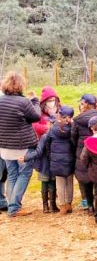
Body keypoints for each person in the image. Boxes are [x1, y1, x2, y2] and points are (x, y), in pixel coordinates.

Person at [0, 71, 41, 217]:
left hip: (4, 146)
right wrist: (35, 101)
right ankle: (14, 207)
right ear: (20, 85)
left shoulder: (1, 100)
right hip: (21, 146)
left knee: (12, 174)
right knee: (24, 174)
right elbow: (36, 116)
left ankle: (12, 206)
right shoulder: (23, 102)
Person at [23, 106, 75, 214]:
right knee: (69, 182)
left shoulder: (52, 130)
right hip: (69, 159)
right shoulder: (73, 128)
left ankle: (62, 206)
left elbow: (42, 149)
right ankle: (69, 204)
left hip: (56, 161)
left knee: (60, 183)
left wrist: (26, 157)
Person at [72, 94, 97, 214]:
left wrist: (78, 148)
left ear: (85, 104)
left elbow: (73, 137)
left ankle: (90, 206)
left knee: (86, 181)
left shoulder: (77, 120)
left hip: (82, 151)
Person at [32, 86, 61, 213]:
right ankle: (45, 206)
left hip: (55, 148)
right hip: (43, 148)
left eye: (53, 100)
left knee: (53, 177)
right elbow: (34, 125)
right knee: (44, 177)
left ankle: (53, 204)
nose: (52, 102)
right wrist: (46, 128)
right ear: (44, 101)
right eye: (49, 100)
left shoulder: (59, 109)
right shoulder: (38, 112)